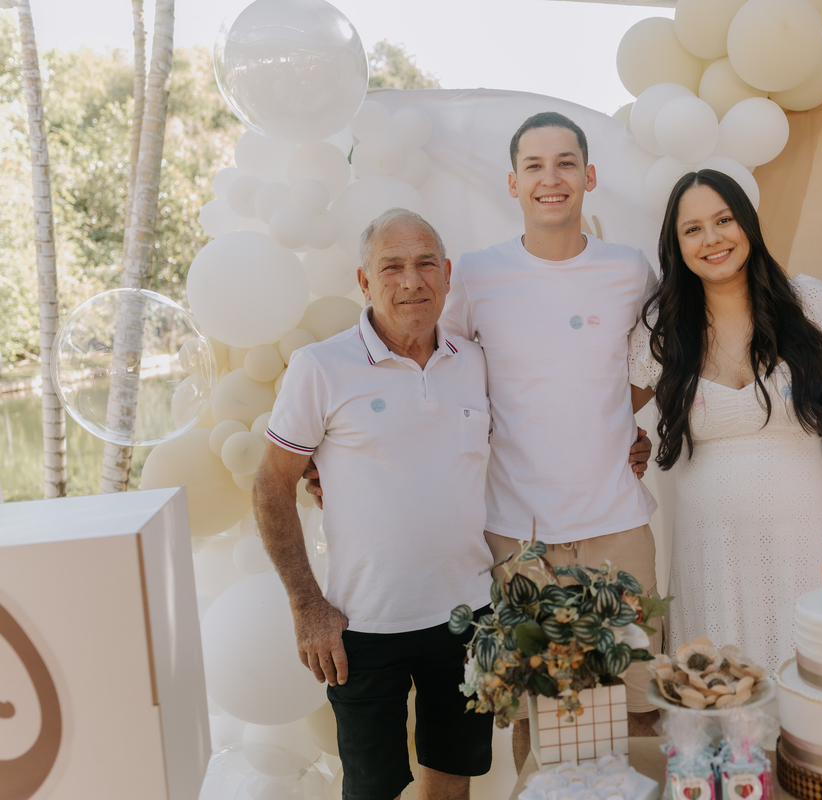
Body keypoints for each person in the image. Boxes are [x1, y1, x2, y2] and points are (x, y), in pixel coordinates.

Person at [441, 111, 661, 769]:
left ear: (589, 176)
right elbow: (440, 376)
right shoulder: (476, 275)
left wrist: (617, 424)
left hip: (618, 527)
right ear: (513, 183)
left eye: (565, 163)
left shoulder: (629, 270)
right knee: (536, 712)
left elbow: (649, 365)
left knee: (638, 706)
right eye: (534, 166)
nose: (551, 178)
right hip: (519, 536)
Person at [255, 209, 494, 800]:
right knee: (370, 790)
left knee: (453, 777)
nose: (412, 281)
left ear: (446, 275)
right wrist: (306, 605)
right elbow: (270, 485)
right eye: (392, 267)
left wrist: (629, 440)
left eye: (425, 264)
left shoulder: (474, 362)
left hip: (467, 616)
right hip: (363, 624)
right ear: (364, 281)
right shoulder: (321, 367)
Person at [628, 169, 822, 673]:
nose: (712, 238)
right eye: (692, 229)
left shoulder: (811, 305)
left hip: (812, 536)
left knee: (818, 684)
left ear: (747, 223)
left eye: (724, 220)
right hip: (711, 548)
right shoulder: (664, 329)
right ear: (676, 245)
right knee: (722, 691)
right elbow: (602, 413)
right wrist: (624, 440)